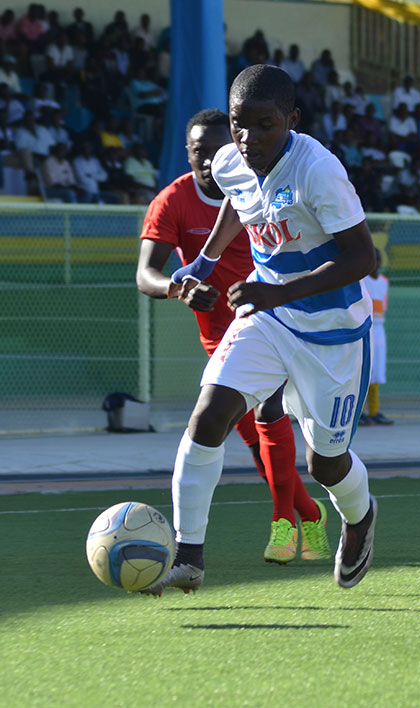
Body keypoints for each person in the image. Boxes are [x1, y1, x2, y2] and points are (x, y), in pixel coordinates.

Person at [141, 66, 377, 595]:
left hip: (333, 333)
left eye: (264, 125)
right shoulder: (231, 158)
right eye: (237, 124)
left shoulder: (318, 170)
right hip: (268, 317)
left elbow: (364, 257)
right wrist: (204, 260)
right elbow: (237, 197)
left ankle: (360, 518)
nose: (247, 139)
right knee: (209, 415)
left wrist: (280, 292)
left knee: (326, 463)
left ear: (291, 120)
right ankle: (190, 558)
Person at [136, 108, 331, 567]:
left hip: (273, 322)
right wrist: (177, 287)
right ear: (187, 154)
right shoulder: (173, 201)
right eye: (198, 152)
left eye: (217, 151)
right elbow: (146, 274)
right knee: (260, 453)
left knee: (270, 412)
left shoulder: (266, 188)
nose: (208, 161)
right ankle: (310, 514)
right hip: (219, 339)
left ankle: (282, 524)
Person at [360, 249, 393, 426]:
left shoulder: (384, 282)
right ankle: (360, 412)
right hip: (365, 329)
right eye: (374, 259)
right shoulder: (361, 281)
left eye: (379, 259)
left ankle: (374, 411)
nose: (377, 262)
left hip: (379, 329)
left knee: (378, 371)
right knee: (366, 370)